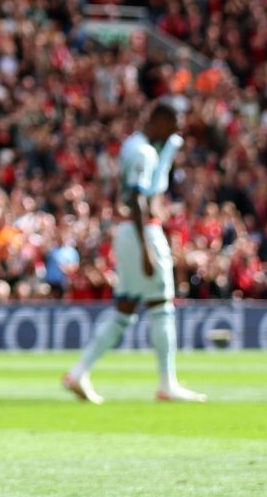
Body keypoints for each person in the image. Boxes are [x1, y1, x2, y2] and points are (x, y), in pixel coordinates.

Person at [62, 99, 206, 403]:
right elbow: (138, 200)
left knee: (125, 310)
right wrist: (147, 249)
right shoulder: (143, 152)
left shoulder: (137, 145)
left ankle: (78, 372)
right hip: (143, 232)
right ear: (160, 120)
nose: (178, 130)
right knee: (162, 306)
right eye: (175, 123)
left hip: (127, 231)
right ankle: (167, 383)